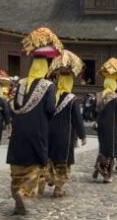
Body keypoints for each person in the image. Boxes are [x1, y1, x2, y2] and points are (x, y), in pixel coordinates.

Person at [7, 27, 59, 215]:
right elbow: (50, 109)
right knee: (34, 168)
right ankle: (23, 192)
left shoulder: (20, 83)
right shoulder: (49, 86)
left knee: (18, 167)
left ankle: (16, 197)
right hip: (37, 131)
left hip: (19, 132)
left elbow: (14, 105)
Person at [46, 50, 87, 198]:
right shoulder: (72, 99)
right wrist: (83, 135)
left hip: (50, 133)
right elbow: (77, 119)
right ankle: (58, 187)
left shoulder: (52, 95)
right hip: (65, 135)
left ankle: (49, 177)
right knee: (63, 162)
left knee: (51, 157)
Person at [93, 58, 117, 183]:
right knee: (110, 149)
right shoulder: (115, 97)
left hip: (101, 126)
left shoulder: (99, 95)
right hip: (111, 126)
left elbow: (96, 110)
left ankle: (99, 166)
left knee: (102, 147)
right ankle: (107, 174)